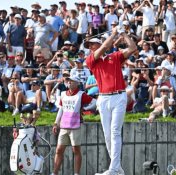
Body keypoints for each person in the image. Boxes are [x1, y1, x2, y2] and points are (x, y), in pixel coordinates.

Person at [86, 26, 137, 174]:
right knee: (108, 135)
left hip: (119, 96)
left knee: (115, 132)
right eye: (89, 46)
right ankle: (117, 168)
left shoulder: (114, 56)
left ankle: (113, 169)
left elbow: (132, 47)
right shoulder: (91, 60)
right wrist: (114, 34)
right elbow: (105, 46)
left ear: (99, 43)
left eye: (92, 44)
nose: (90, 47)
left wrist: (123, 34)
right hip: (103, 98)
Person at [51, 75, 96, 175]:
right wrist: (56, 123)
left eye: (71, 81)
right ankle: (54, 173)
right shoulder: (63, 94)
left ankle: (76, 173)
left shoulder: (81, 94)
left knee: (76, 150)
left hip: (75, 126)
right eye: (68, 81)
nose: (69, 82)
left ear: (77, 83)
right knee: (59, 150)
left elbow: (94, 102)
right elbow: (61, 110)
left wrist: (84, 109)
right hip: (63, 126)